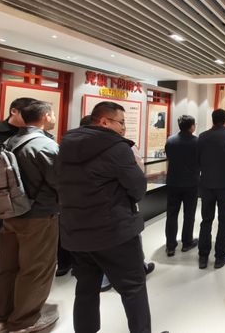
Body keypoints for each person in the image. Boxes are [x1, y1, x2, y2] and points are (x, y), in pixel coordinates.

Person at [57, 102, 151, 333]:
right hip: (113, 231)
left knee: (86, 289)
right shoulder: (117, 148)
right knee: (133, 289)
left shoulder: (66, 145)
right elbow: (138, 188)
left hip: (76, 231)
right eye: (121, 122)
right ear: (104, 121)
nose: (123, 128)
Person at [0, 101, 60, 333]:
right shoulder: (45, 145)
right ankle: (24, 321)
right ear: (45, 116)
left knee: (8, 267)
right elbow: (59, 181)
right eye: (52, 114)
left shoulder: (10, 141)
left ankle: (1, 316)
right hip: (39, 216)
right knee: (36, 268)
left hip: (10, 212)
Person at [0, 97, 35, 321]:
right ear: (14, 111)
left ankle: (12, 296)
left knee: (19, 253)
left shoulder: (36, 136)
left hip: (24, 203)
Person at [197, 109, 225, 270]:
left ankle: (203, 256)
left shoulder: (202, 136)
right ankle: (220, 256)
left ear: (213, 119)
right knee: (224, 220)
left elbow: (197, 159)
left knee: (206, 220)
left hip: (206, 183)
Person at [164, 115, 200, 257]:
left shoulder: (171, 140)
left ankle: (170, 246)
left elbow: (169, 157)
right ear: (191, 126)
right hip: (191, 183)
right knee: (189, 214)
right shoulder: (197, 142)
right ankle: (187, 242)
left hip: (173, 182)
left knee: (171, 214)